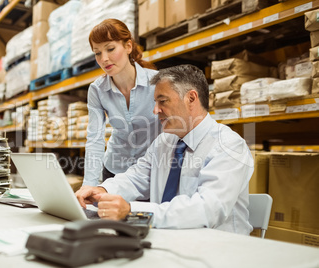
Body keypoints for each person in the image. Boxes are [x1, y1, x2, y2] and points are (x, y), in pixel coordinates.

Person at [75, 64, 254, 235]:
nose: (155, 110)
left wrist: (132, 210)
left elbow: (207, 210)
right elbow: (136, 178)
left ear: (191, 98)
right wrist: (103, 190)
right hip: (170, 241)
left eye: (162, 101)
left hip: (219, 250)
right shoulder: (164, 142)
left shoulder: (228, 146)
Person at [82, 19, 162, 186]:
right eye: (97, 53)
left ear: (128, 46)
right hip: (114, 170)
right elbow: (95, 139)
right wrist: (89, 185)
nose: (104, 59)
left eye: (110, 49)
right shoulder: (97, 90)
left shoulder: (157, 82)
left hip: (150, 171)